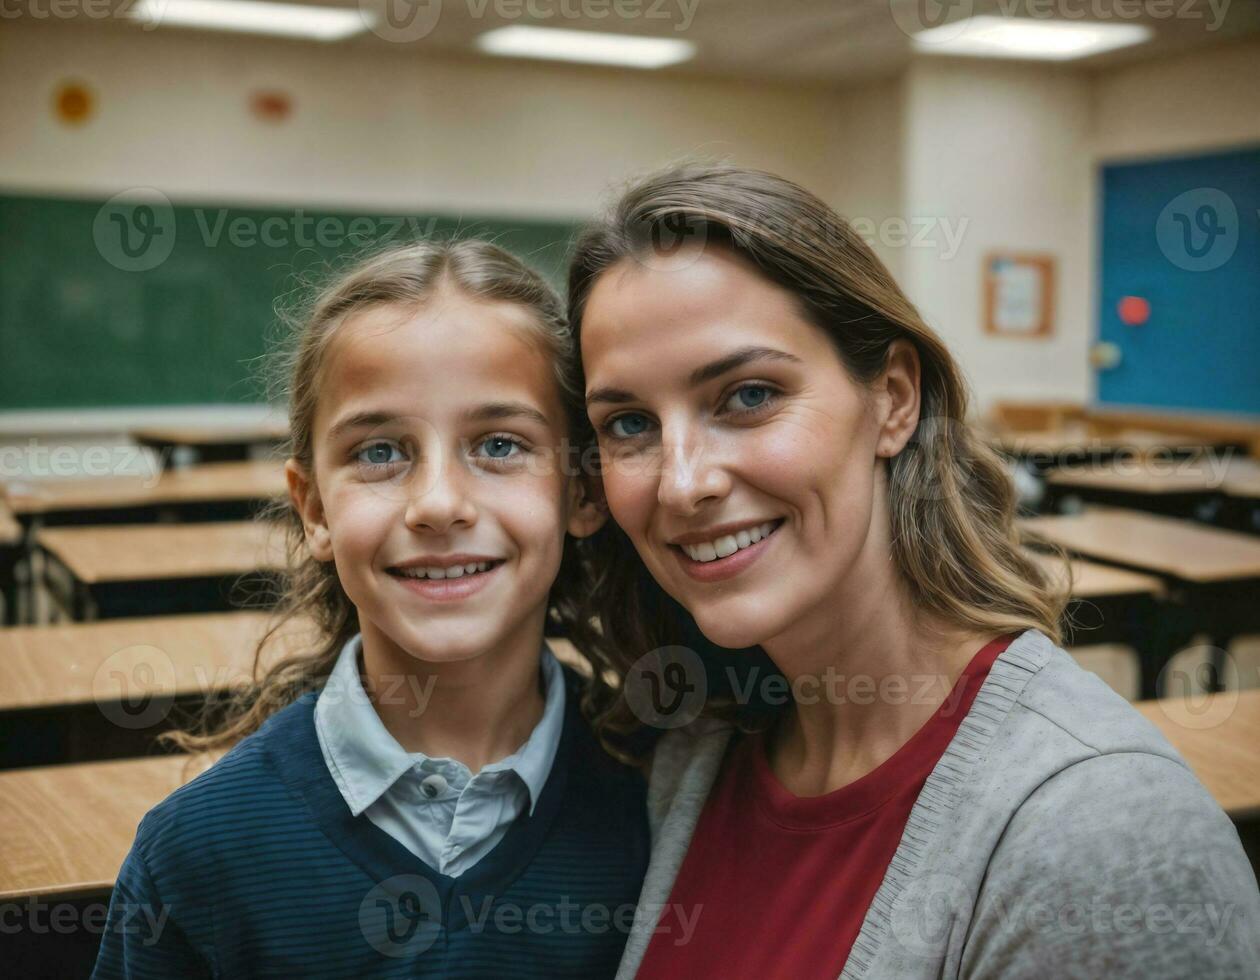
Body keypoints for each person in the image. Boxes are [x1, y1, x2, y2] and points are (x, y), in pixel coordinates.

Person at [555, 164, 1260, 978]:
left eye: (746, 396)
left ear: (893, 398)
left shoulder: (1103, 835)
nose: (682, 482)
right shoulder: (692, 744)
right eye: (630, 423)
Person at [92, 240, 648, 978]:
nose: (440, 504)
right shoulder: (197, 853)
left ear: (581, 491)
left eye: (501, 444)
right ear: (314, 509)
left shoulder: (660, 797)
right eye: (381, 452)